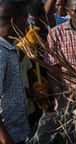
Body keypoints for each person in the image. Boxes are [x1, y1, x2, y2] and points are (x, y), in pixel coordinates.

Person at [0, 1, 30, 144]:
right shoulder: (0, 53)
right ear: (14, 21)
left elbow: (7, 86)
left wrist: (28, 93)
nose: (28, 26)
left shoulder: (10, 49)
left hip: (19, 132)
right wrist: (5, 139)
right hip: (8, 135)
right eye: (25, 20)